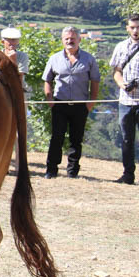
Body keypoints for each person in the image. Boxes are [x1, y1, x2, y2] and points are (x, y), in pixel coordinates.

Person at [42, 26, 100, 179]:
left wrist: (91, 102)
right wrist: (50, 100)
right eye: (66, 39)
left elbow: (95, 81)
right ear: (62, 40)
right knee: (57, 138)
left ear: (79, 40)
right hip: (59, 104)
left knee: (76, 139)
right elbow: (47, 80)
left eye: (73, 38)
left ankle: (72, 171)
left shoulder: (89, 59)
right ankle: (51, 170)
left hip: (80, 105)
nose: (70, 41)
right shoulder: (54, 59)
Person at [109, 13, 139, 185]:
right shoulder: (120, 47)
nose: (135, 30)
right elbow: (116, 72)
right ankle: (128, 175)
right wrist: (123, 84)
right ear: (127, 28)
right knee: (126, 140)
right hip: (125, 101)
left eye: (138, 27)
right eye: (132, 27)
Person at [1, 27, 29, 170]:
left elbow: (18, 79)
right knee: (1, 130)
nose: (11, 43)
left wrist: (12, 61)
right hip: (0, 95)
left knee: (19, 131)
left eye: (14, 40)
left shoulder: (22, 56)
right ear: (3, 41)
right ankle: (2, 165)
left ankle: (20, 165)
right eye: (9, 40)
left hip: (18, 95)